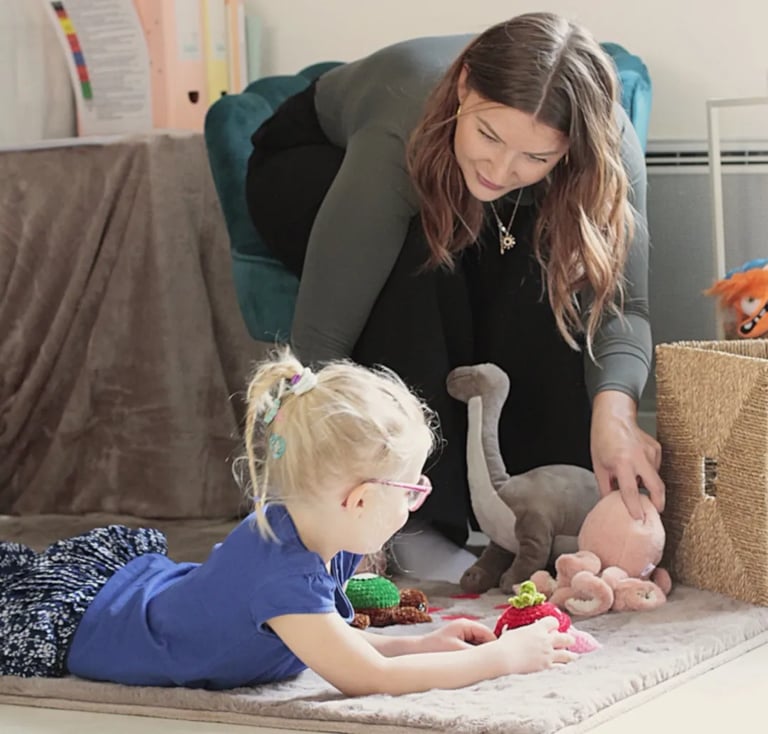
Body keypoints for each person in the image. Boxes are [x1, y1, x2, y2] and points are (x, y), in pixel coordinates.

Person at [245, 12, 664, 580]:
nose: (500, 168)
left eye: (535, 157)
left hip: (452, 169)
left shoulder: (607, 149)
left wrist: (616, 411)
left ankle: (534, 510)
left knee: (555, 262)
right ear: (465, 88)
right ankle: (417, 520)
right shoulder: (405, 125)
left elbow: (622, 306)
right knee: (417, 253)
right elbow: (322, 334)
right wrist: (307, 479)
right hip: (309, 158)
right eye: (488, 136)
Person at [0, 350, 576, 692]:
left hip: (138, 592)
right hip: (94, 623)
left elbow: (334, 646)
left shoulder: (316, 529)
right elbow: (365, 677)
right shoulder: (283, 580)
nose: (415, 504)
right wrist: (499, 660)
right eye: (412, 490)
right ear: (359, 500)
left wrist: (427, 644)